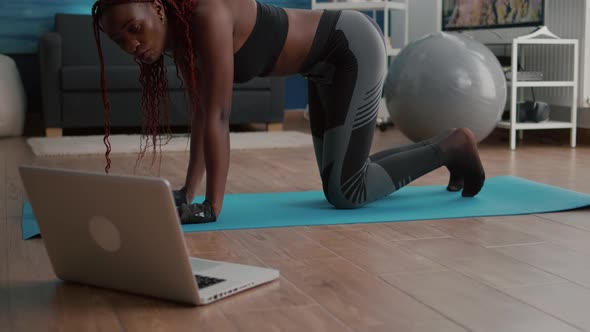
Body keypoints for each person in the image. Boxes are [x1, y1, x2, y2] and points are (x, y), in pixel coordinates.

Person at [91, 0, 485, 224]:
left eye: (134, 28)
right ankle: (450, 145)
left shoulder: (206, 16)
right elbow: (201, 112)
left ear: (156, 8)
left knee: (347, 192)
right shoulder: (176, 34)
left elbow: (218, 117)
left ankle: (453, 145)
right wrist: (187, 192)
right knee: (343, 183)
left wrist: (211, 207)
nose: (130, 44)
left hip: (351, 47)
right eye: (118, 39)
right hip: (322, 68)